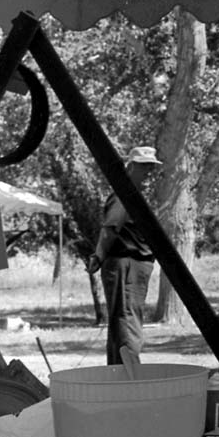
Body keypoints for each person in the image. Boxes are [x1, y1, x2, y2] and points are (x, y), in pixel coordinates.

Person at [85, 145, 162, 366]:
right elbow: (111, 228)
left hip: (135, 266)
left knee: (125, 317)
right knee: (127, 318)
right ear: (130, 167)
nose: (149, 173)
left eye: (152, 168)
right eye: (144, 167)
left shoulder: (136, 196)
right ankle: (129, 372)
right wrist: (98, 257)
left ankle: (120, 372)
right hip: (125, 264)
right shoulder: (124, 195)